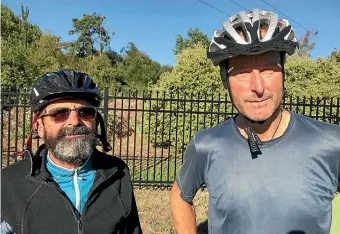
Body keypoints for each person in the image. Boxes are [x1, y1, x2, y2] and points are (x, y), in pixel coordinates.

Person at [170, 9, 340, 234]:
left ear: (283, 74)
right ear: (225, 81)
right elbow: (180, 195)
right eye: (241, 72)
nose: (258, 87)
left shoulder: (331, 142)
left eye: (269, 69)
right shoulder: (206, 145)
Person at [1, 69, 142, 234]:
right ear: (39, 127)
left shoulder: (117, 173)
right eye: (60, 113)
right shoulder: (10, 182)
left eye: (85, 112)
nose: (74, 121)